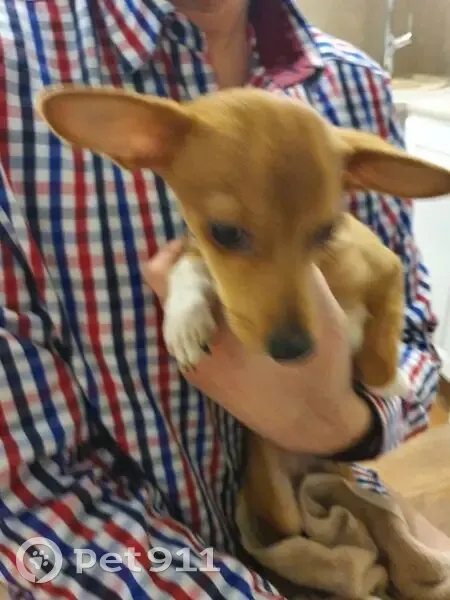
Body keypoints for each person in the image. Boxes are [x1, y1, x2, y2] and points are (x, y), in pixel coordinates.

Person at [0, 0, 448, 598]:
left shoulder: (356, 82)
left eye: (320, 234)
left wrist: (341, 421)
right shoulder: (13, 68)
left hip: (326, 512)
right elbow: (27, 504)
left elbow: (413, 339)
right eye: (231, 235)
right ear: (139, 143)